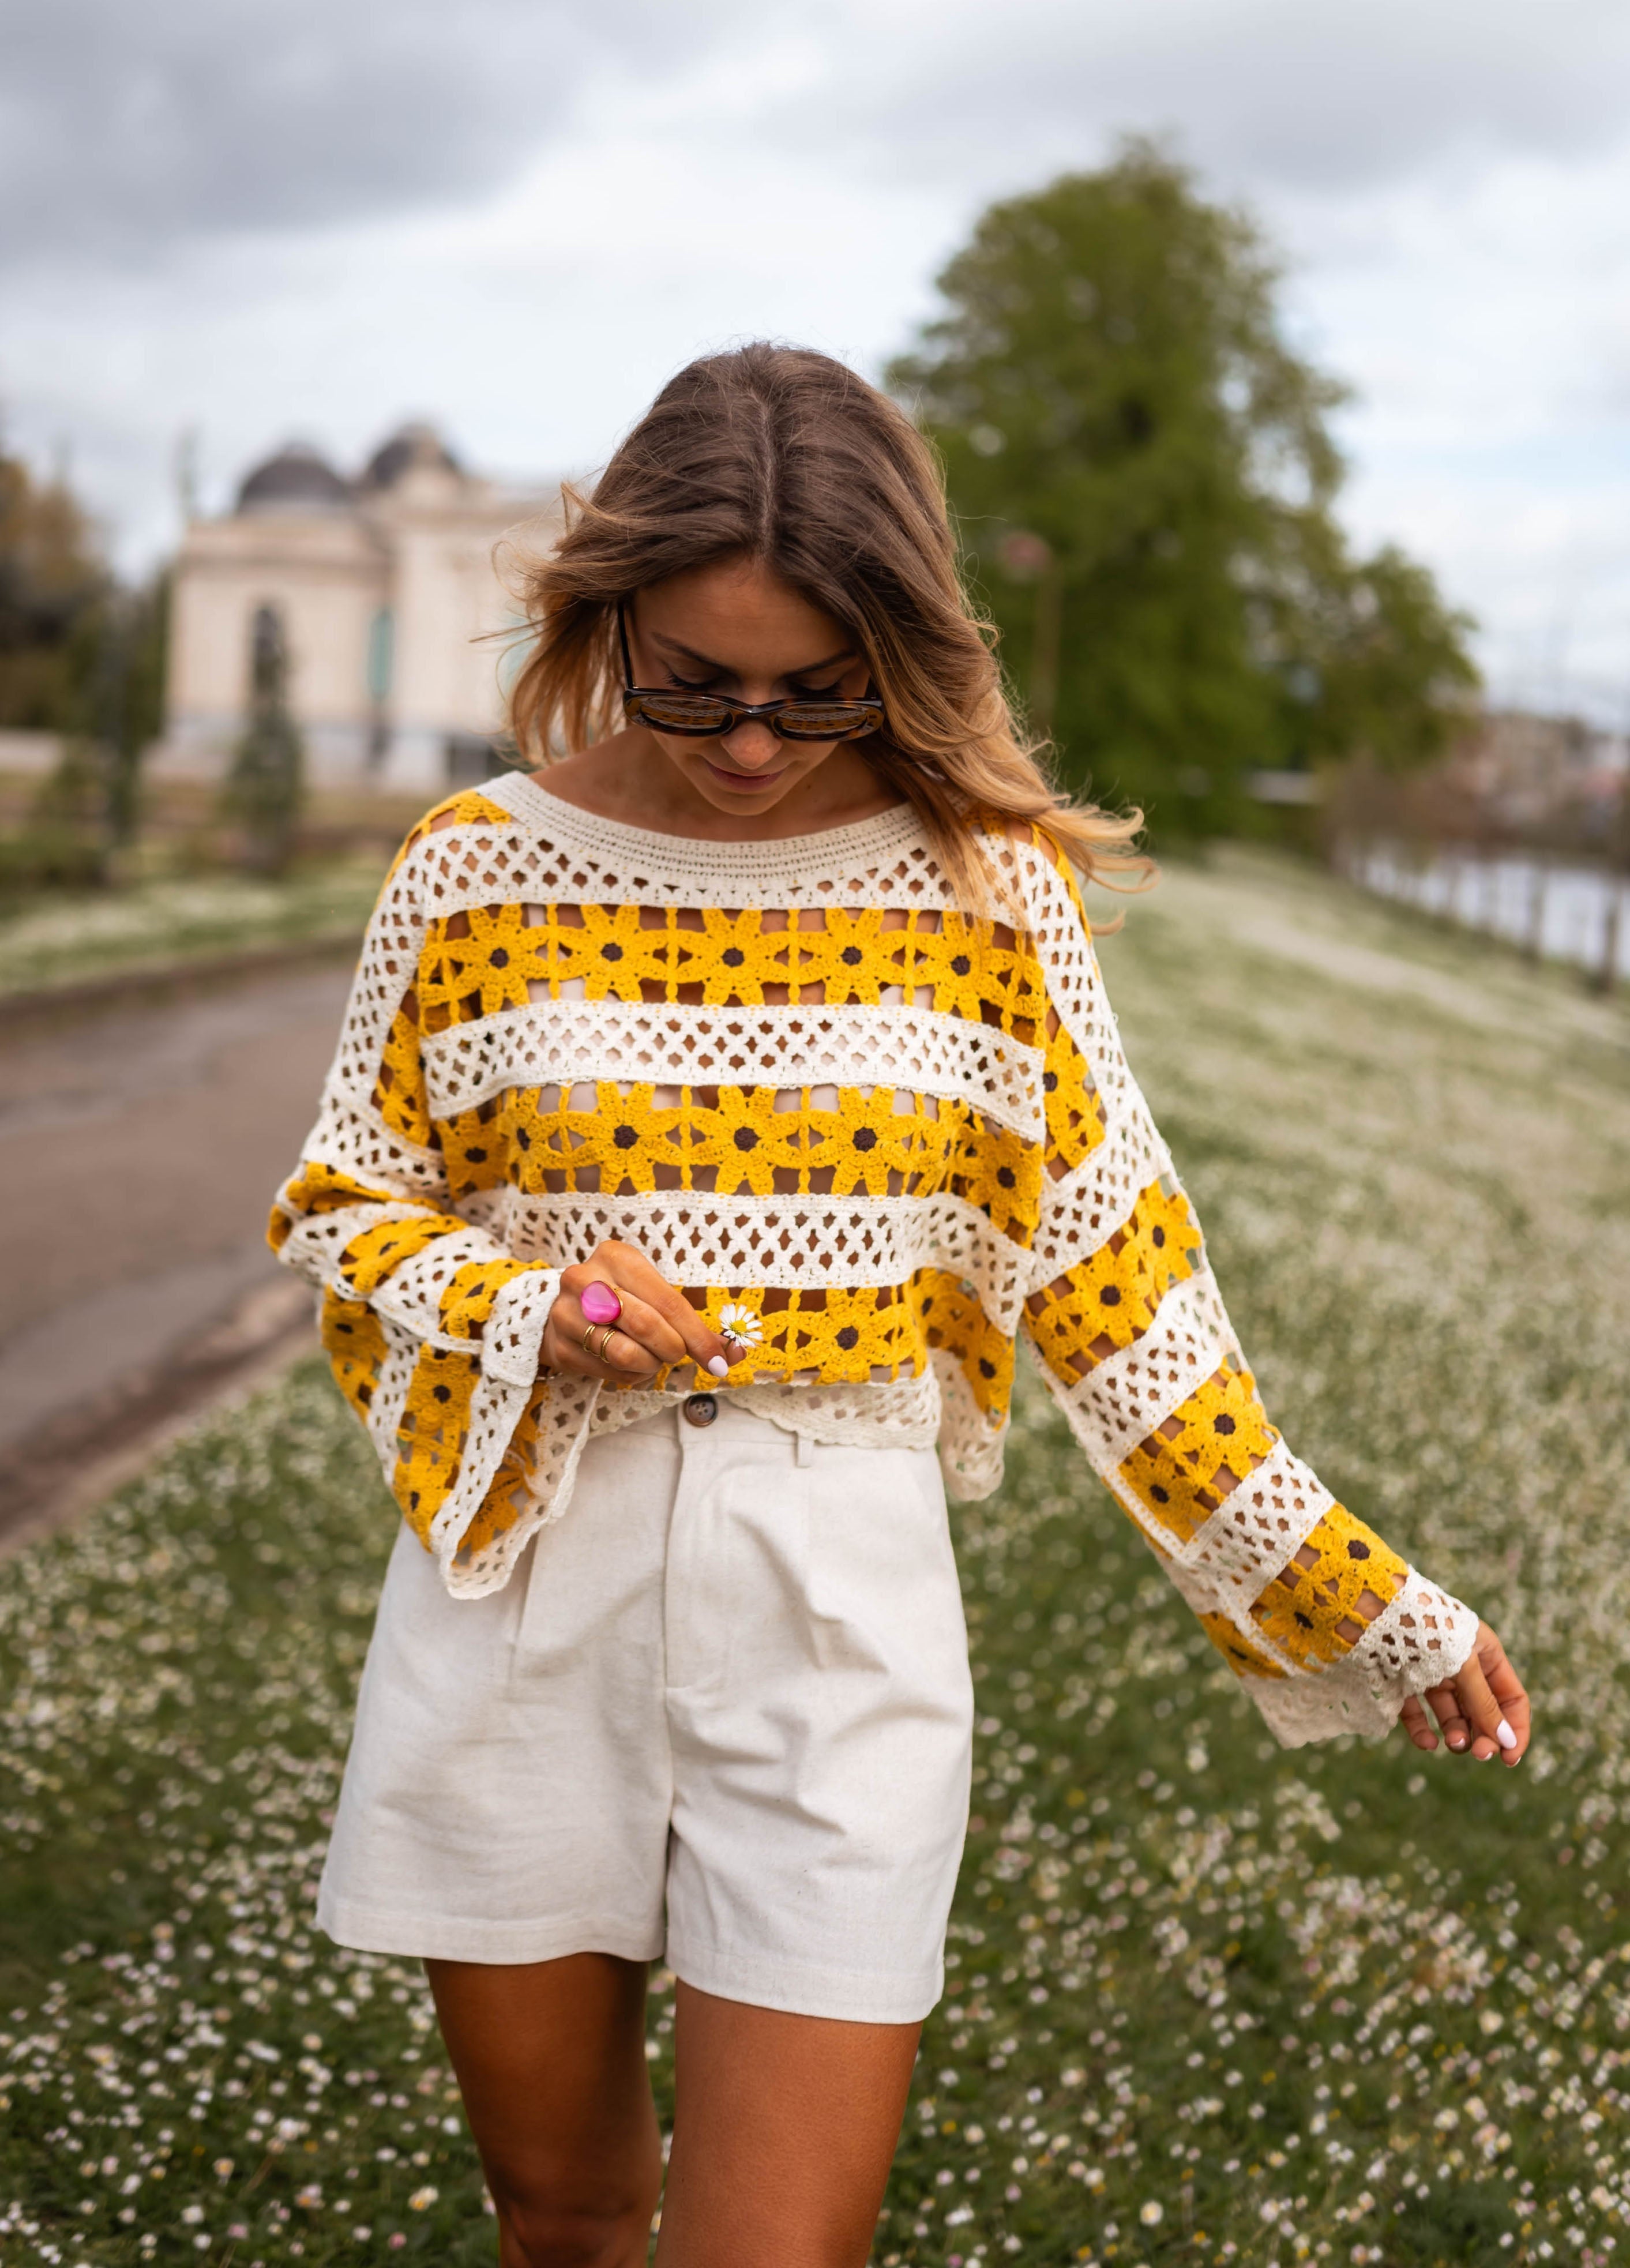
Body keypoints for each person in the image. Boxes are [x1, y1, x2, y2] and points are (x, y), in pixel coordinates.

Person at [268, 343, 1531, 2268]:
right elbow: (344, 1207)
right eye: (695, 680)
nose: (754, 740)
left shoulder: (985, 895)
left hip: (836, 1615)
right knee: (567, 2219)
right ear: (610, 615)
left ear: (899, 643)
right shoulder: (470, 870)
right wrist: (523, 1304)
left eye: (814, 686)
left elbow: (1120, 1293)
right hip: (522, 1604)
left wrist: (1341, 1582)